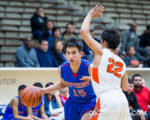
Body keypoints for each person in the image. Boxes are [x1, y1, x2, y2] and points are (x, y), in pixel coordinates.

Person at [80, 5, 131, 120]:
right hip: (122, 99)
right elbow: (125, 87)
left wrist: (90, 14)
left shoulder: (101, 51)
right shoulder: (122, 62)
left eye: (101, 41)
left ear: (105, 43)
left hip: (107, 100)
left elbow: (83, 31)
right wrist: (94, 78)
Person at [41, 38, 96, 120]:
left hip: (89, 101)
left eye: (74, 53)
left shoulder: (89, 67)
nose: (71, 56)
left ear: (81, 53)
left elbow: (102, 80)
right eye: (68, 53)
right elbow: (63, 84)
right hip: (73, 102)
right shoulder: (62, 69)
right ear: (65, 55)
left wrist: (92, 78)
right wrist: (44, 90)